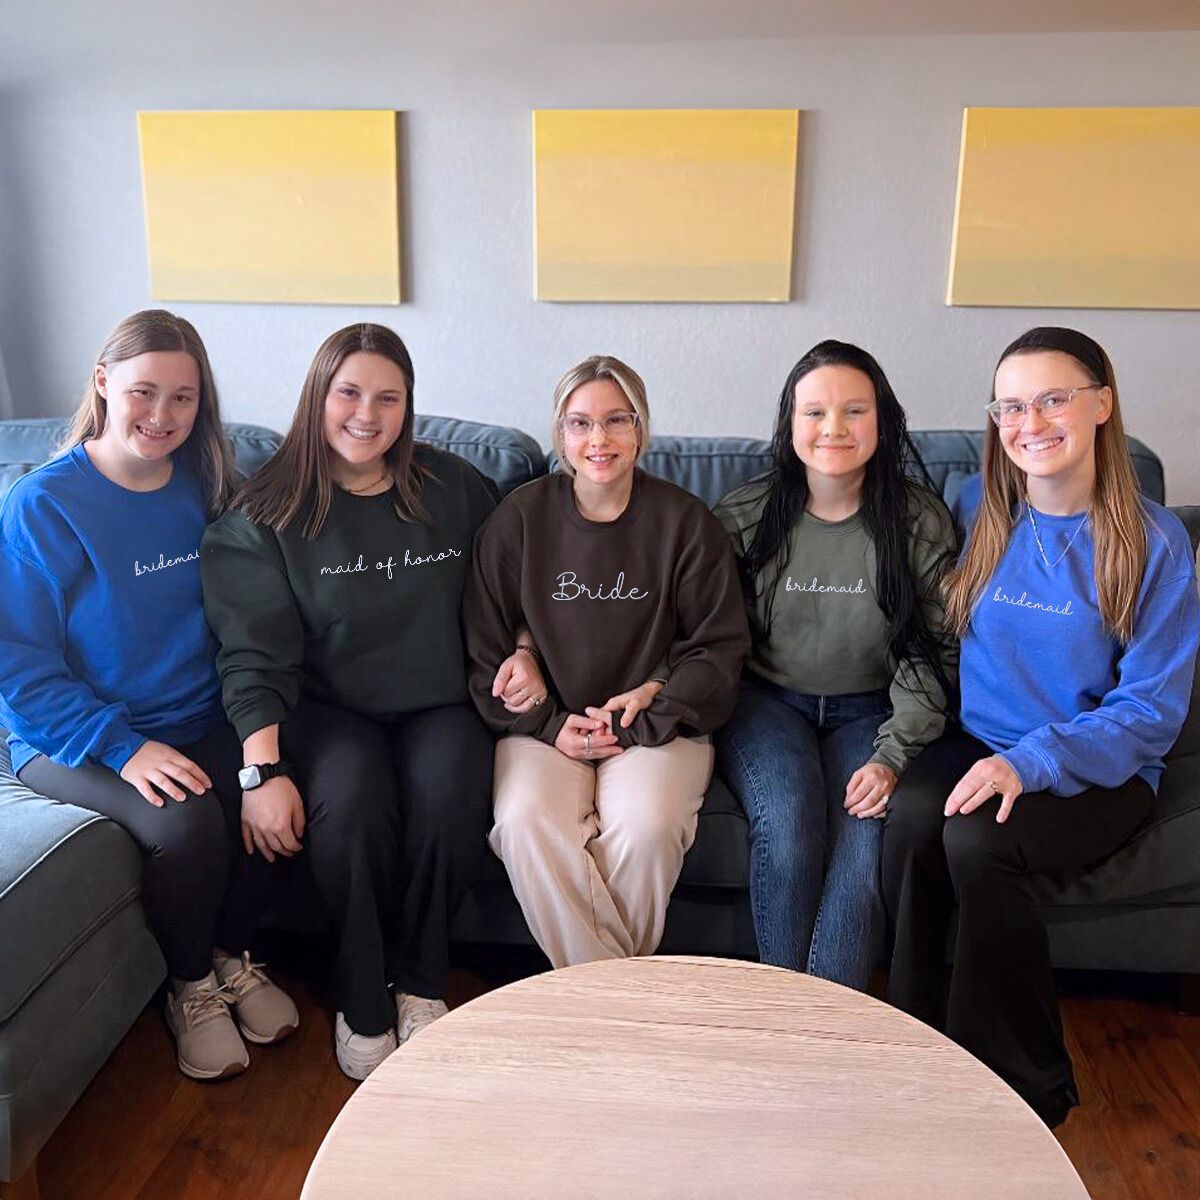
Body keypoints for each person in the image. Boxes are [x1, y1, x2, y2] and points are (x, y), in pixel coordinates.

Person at [882, 326, 1200, 1127]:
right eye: (1012, 405)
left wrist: (1033, 764)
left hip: (1101, 769)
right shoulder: (975, 510)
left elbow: (1149, 713)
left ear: (1101, 402)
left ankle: (1025, 1083)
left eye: (1054, 397)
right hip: (981, 740)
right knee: (916, 816)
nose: (1032, 421)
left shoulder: (1156, 543)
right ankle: (910, 1043)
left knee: (979, 841)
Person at [200, 323, 508, 1080]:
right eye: (348, 392)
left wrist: (526, 650)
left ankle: (423, 981)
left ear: (408, 407)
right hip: (328, 707)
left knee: (449, 794)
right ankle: (363, 994)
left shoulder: (454, 487)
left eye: (388, 398)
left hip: (439, 699)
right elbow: (253, 655)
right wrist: (262, 775)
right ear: (318, 397)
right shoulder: (262, 514)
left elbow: (517, 579)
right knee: (353, 803)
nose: (366, 414)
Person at [0, 309, 297, 1081]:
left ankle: (235, 957)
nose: (161, 416)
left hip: (193, 711)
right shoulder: (44, 504)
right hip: (68, 735)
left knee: (281, 786)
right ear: (102, 383)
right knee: (190, 824)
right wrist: (124, 748)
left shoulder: (205, 486)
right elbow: (20, 665)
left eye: (183, 398)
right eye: (142, 392)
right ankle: (191, 986)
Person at [464, 355, 750, 967]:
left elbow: (718, 646)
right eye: (580, 423)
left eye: (617, 420)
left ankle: (590, 1011)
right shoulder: (518, 519)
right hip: (544, 725)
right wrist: (543, 715)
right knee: (521, 822)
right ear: (560, 434)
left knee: (646, 829)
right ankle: (622, 1005)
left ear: (641, 429)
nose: (599, 440)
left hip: (656, 726)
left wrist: (650, 705)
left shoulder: (686, 523)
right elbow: (483, 648)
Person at [713, 340, 956, 991]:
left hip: (872, 710)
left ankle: (820, 1019)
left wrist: (892, 754)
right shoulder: (744, 516)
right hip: (764, 705)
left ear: (883, 421)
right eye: (814, 412)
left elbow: (934, 652)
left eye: (854, 411)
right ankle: (786, 1012)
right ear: (790, 423)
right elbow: (705, 639)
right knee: (789, 824)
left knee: (865, 842)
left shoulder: (920, 521)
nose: (834, 429)